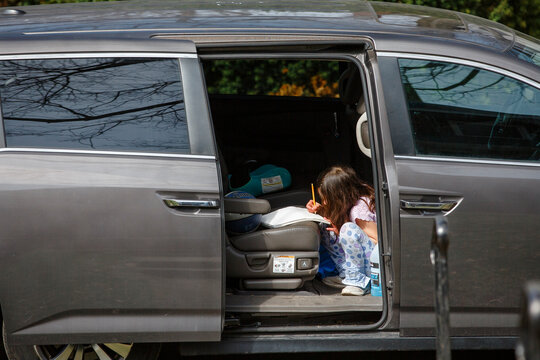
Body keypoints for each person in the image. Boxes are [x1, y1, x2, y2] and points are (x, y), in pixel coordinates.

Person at [306, 165, 377, 296]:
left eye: (328, 198)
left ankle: (358, 281)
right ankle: (348, 274)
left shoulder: (358, 212)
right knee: (327, 228)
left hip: (375, 266)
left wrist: (343, 234)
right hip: (363, 261)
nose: (325, 202)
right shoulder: (350, 204)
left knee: (347, 230)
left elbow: (378, 242)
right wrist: (321, 211)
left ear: (340, 197)